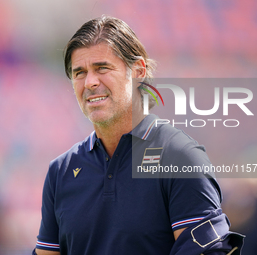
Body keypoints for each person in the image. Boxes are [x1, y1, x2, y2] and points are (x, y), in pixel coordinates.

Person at [33, 15, 244, 255]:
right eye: (79, 72)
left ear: (138, 71)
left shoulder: (180, 157)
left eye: (102, 68)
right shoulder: (60, 171)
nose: (90, 82)